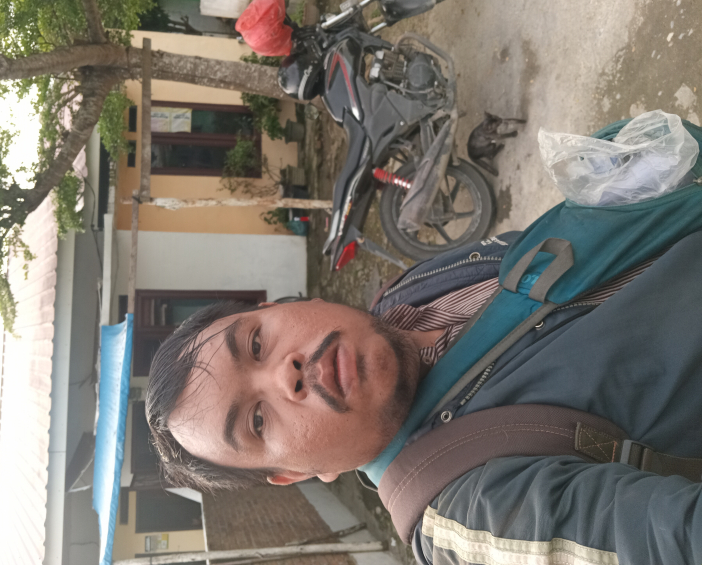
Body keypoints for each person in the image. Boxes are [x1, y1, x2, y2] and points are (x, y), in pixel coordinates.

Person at [145, 228, 702, 565]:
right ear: (296, 473)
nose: (284, 375)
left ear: (283, 305)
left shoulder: (409, 294)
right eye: (257, 422)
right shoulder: (475, 516)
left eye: (256, 343)